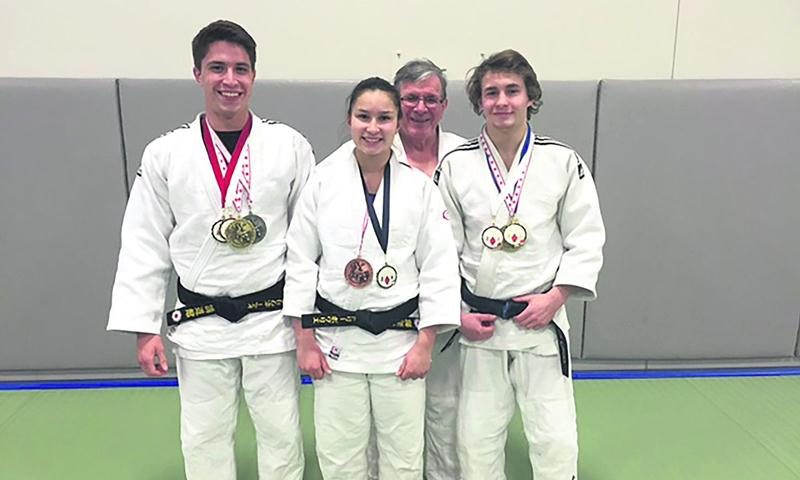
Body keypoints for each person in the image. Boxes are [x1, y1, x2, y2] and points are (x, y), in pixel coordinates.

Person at [107, 20, 314, 480]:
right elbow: (144, 241)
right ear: (198, 74)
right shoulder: (165, 153)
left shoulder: (289, 145)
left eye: (241, 69)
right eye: (217, 68)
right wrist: (144, 328)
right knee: (204, 435)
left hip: (271, 319)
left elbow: (308, 241)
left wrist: (306, 322)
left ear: (254, 76)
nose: (230, 80)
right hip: (200, 323)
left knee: (281, 432)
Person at [436, 49, 606, 480]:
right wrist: (458, 315)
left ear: (531, 96)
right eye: (491, 92)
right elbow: (440, 251)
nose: (502, 101)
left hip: (540, 323)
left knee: (554, 437)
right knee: (476, 440)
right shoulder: (455, 165)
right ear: (479, 103)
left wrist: (557, 297)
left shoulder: (562, 161)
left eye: (512, 90)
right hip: (480, 325)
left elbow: (586, 237)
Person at [283, 77, 460, 480]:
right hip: (335, 347)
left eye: (384, 117)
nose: (373, 127)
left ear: (398, 123)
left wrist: (425, 344)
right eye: (364, 116)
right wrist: (305, 340)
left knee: (403, 458)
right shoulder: (322, 181)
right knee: (340, 456)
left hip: (401, 346)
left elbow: (438, 267)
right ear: (349, 119)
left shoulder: (419, 188)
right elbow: (300, 262)